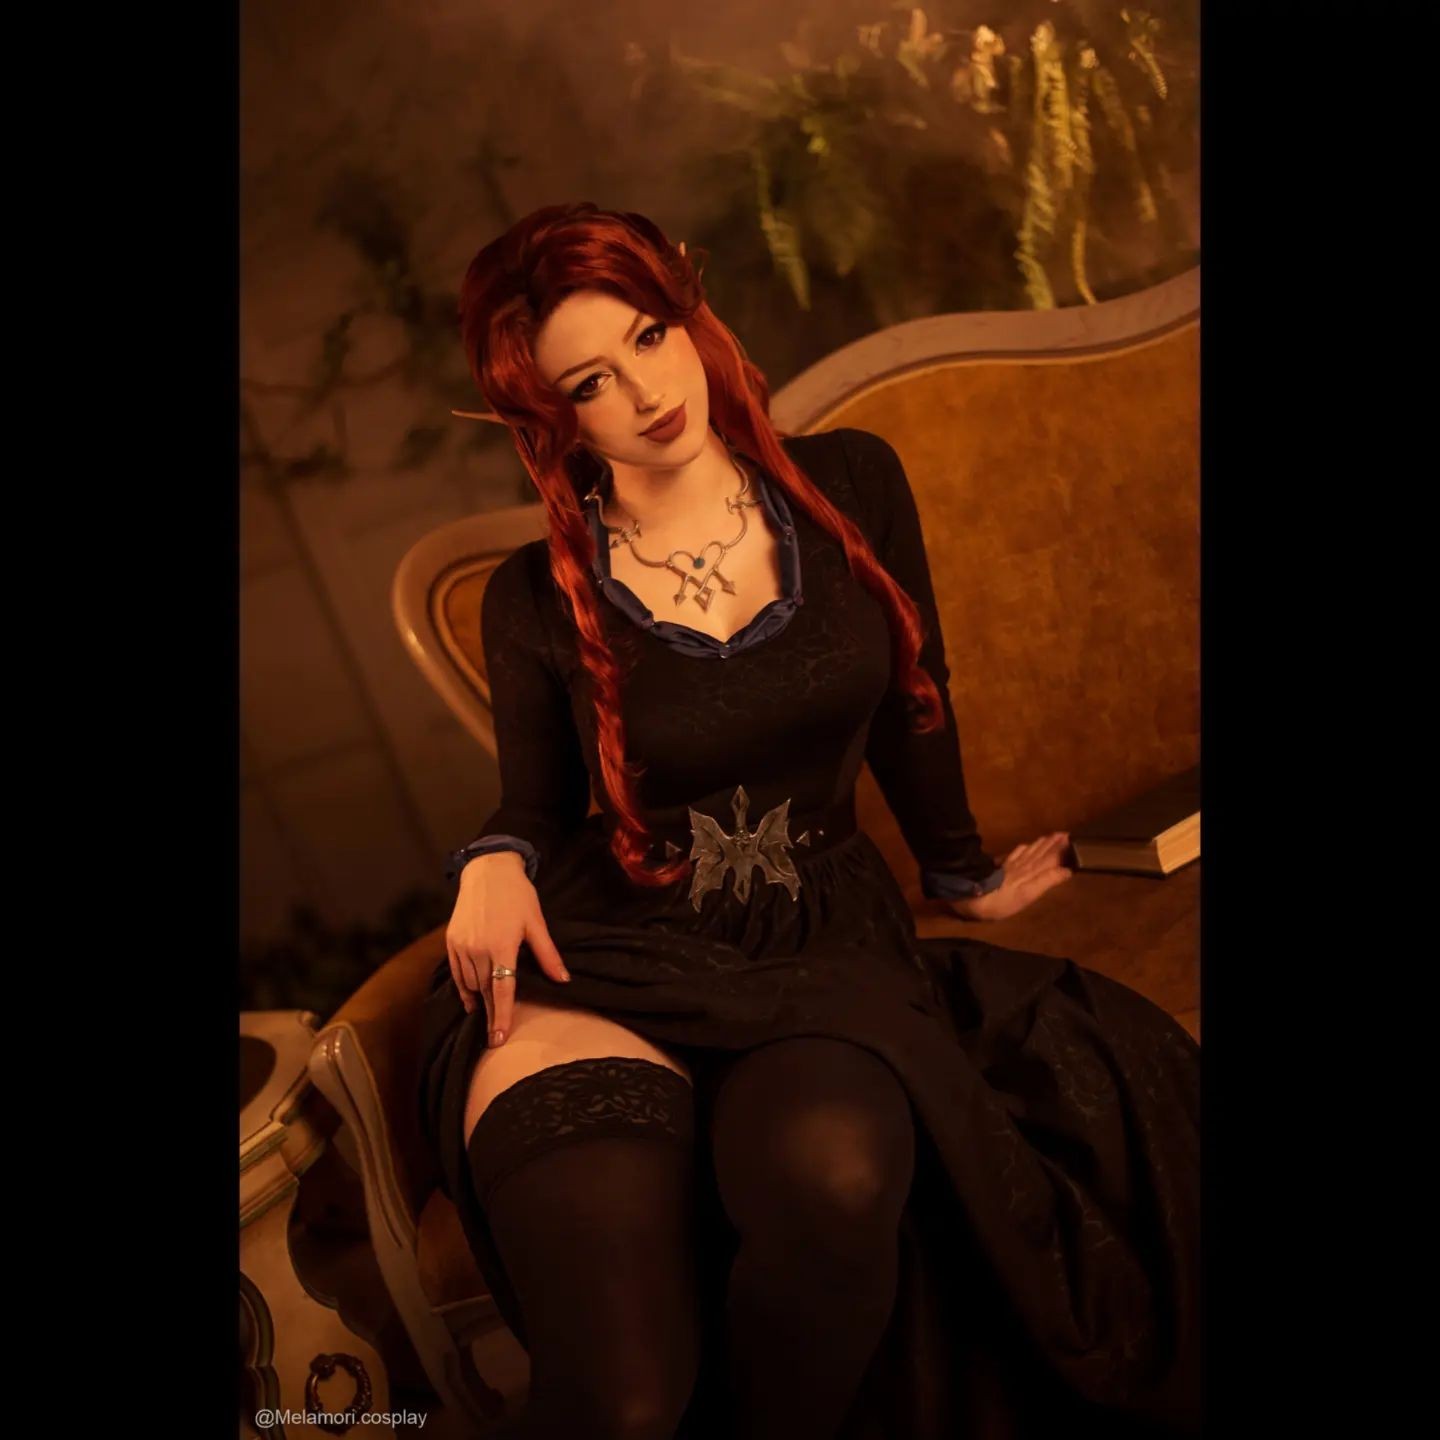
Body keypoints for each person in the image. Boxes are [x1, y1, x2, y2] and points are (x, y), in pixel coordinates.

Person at [417, 202, 1200, 1440]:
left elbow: (914, 696)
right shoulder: (532, 594)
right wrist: (495, 862)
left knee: (835, 1180)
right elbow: (532, 801)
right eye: (591, 382)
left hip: (818, 945)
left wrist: (961, 872)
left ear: (689, 314)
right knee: (624, 1399)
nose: (647, 391)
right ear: (550, 418)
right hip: (608, 956)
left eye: (650, 336)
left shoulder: (852, 484)